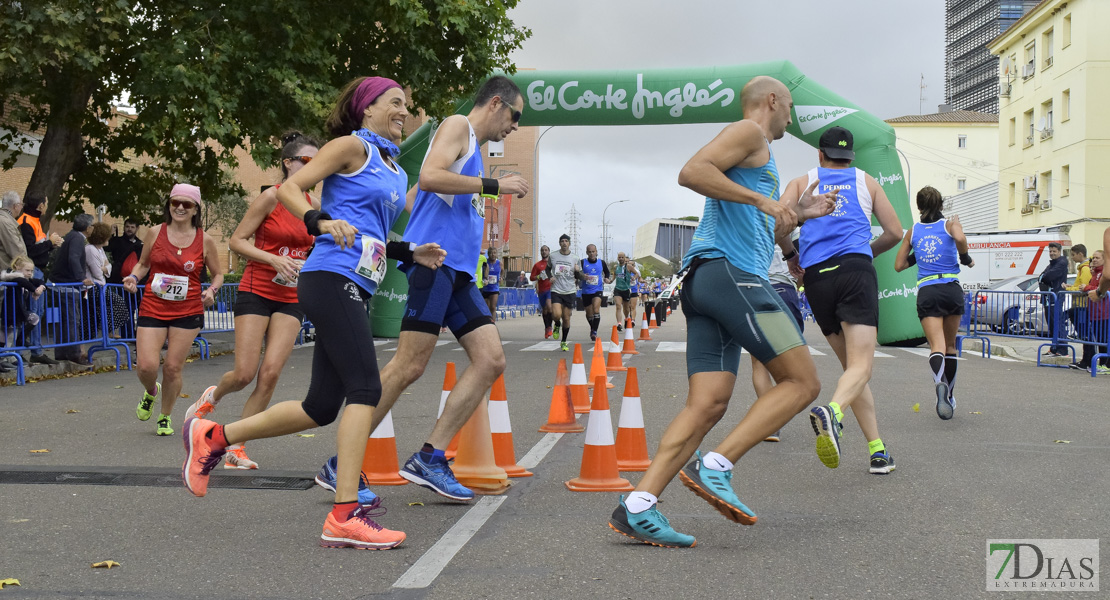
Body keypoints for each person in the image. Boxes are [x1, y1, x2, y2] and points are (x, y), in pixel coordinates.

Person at [183, 76, 445, 550]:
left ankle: (214, 436)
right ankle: (346, 513)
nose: (403, 112)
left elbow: (367, 232)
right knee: (366, 387)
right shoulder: (350, 147)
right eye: (394, 103)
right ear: (367, 109)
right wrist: (318, 220)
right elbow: (291, 187)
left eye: (407, 105)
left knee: (320, 407)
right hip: (329, 278)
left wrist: (408, 252)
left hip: (355, 282)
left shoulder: (392, 166)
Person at [607, 76, 836, 548]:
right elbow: (691, 171)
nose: (791, 118)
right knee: (804, 382)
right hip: (732, 277)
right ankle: (717, 466)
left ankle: (638, 507)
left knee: (708, 403)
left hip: (712, 281)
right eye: (789, 107)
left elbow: (755, 230)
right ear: (771, 100)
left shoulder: (758, 157)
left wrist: (798, 214)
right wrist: (763, 199)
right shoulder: (750, 133)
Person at [321, 75, 528, 505]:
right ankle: (342, 462)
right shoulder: (457, 126)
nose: (515, 127)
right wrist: (494, 187)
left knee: (491, 359)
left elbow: (416, 194)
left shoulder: (471, 150)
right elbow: (432, 176)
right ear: (496, 104)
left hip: (459, 272)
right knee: (408, 366)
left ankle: (430, 457)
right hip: (435, 268)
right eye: (516, 116)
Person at [182, 131, 322, 470]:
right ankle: (210, 398)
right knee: (244, 373)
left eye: (318, 162)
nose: (313, 167)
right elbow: (236, 241)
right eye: (306, 160)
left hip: (291, 295)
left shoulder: (315, 207)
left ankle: (236, 445)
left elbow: (315, 247)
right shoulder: (271, 198)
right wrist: (272, 259)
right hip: (257, 289)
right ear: (288, 163)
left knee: (270, 374)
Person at [780, 125, 903, 475]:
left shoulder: (801, 182)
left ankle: (878, 451)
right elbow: (895, 232)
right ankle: (832, 412)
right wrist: (865, 251)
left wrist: (791, 255)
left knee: (852, 370)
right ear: (852, 158)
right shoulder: (866, 181)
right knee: (862, 366)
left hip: (817, 278)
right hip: (854, 271)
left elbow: (779, 225)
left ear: (820, 155)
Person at [124, 184, 223, 436]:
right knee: (146, 366)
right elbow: (144, 264)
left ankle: (165, 416)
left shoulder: (205, 239)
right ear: (169, 205)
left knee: (172, 367)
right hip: (153, 306)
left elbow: (218, 273)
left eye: (186, 204)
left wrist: (211, 290)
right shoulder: (155, 232)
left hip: (187, 309)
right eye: (175, 202)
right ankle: (151, 391)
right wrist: (133, 278)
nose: (179, 207)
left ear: (195, 209)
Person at [893, 186, 974, 420]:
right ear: (941, 204)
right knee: (950, 347)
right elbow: (959, 238)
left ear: (919, 206)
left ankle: (939, 383)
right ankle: (949, 395)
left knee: (935, 346)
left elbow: (898, 266)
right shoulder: (949, 224)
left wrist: (919, 254)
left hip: (928, 290)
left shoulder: (913, 231)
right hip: (950, 288)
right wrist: (965, 258)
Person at [751, 237, 804, 442]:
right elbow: (802, 273)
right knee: (791, 364)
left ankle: (770, 424)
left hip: (756, 290)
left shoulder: (755, 224)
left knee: (758, 364)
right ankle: (779, 413)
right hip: (786, 292)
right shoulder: (794, 228)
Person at [16, 193, 64, 365]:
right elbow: (29, 251)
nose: (47, 205)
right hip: (32, 271)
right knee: (33, 313)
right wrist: (49, 244)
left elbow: (38, 248)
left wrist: (51, 245)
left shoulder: (33, 221)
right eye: (46, 202)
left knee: (38, 312)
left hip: (37, 271)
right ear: (40, 206)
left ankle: (26, 347)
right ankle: (31, 350)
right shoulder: (27, 221)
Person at [50, 213, 95, 364]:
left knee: (64, 320)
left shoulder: (71, 236)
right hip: (67, 284)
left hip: (60, 283)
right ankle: (74, 353)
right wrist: (81, 278)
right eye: (92, 226)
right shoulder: (77, 239)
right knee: (71, 319)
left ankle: (62, 351)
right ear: (88, 228)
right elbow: (73, 258)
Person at [0, 192, 27, 364]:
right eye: (20, 205)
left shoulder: (6, 220)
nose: (21, 208)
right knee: (6, 318)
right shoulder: (5, 221)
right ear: (15, 206)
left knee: (8, 318)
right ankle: (4, 355)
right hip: (7, 273)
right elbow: (16, 249)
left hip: (9, 275)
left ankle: (7, 354)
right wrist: (25, 267)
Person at [547, 234, 583, 351]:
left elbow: (578, 276)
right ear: (559, 243)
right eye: (562, 241)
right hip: (556, 289)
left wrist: (578, 272)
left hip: (570, 290)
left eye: (566, 241)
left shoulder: (575, 258)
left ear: (569, 243)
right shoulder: (553, 256)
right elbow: (547, 269)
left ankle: (563, 341)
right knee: (557, 314)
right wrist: (550, 277)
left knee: (566, 318)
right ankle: (557, 324)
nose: (564, 243)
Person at [1079, 251, 1109, 373]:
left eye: (1097, 258)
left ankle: (1106, 365)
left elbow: (1103, 289)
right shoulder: (1095, 273)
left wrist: (1086, 287)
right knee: (1100, 340)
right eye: (1093, 258)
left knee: (1105, 340)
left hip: (1105, 312)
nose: (1094, 260)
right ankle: (1102, 364)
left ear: (1104, 259)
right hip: (1095, 313)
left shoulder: (1105, 273)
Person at [82, 222, 113, 341]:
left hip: (101, 286)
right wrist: (104, 268)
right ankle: (102, 329)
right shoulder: (90, 249)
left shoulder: (100, 250)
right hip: (93, 288)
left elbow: (109, 267)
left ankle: (104, 329)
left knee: (109, 309)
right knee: (117, 304)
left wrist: (105, 268)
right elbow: (98, 273)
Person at [1038, 242, 1069, 356]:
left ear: (1059, 251)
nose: (1052, 253)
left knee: (1057, 323)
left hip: (1056, 297)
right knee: (1051, 324)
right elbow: (1041, 276)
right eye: (1050, 251)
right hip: (1048, 297)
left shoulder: (1061, 263)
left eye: (1054, 251)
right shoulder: (1052, 264)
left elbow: (1047, 276)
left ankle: (1062, 349)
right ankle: (1054, 347)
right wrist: (1043, 277)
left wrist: (1044, 277)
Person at [580, 243, 612, 341]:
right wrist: (582, 276)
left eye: (593, 252)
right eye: (589, 252)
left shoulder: (601, 262)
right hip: (586, 291)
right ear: (586, 253)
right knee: (589, 314)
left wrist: (606, 278)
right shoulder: (582, 262)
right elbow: (577, 273)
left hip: (598, 290)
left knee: (596, 310)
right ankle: (592, 328)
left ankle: (594, 331)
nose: (591, 254)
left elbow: (607, 272)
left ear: (596, 252)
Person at [529, 245, 554, 338]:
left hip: (551, 289)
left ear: (549, 252)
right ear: (540, 252)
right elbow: (531, 277)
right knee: (545, 310)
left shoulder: (552, 264)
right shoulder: (537, 265)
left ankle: (550, 327)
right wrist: (538, 276)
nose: (544, 252)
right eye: (542, 250)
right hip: (542, 290)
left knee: (549, 307)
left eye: (546, 250)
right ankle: (547, 327)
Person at [612, 252, 639, 331]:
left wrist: (634, 277)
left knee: (626, 308)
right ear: (617, 258)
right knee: (618, 306)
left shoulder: (629, 267)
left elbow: (636, 274)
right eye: (619, 257)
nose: (620, 259)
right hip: (618, 289)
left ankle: (627, 318)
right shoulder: (616, 267)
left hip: (626, 289)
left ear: (624, 258)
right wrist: (609, 281)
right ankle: (619, 323)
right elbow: (614, 276)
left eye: (622, 257)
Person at [481, 245, 502, 320]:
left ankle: (493, 323)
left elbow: (502, 271)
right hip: (485, 288)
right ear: (488, 254)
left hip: (494, 289)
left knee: (493, 307)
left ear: (496, 254)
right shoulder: (485, 262)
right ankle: (487, 322)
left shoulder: (499, 263)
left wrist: (501, 277)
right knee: (486, 308)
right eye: (491, 253)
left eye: (494, 253)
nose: (493, 254)